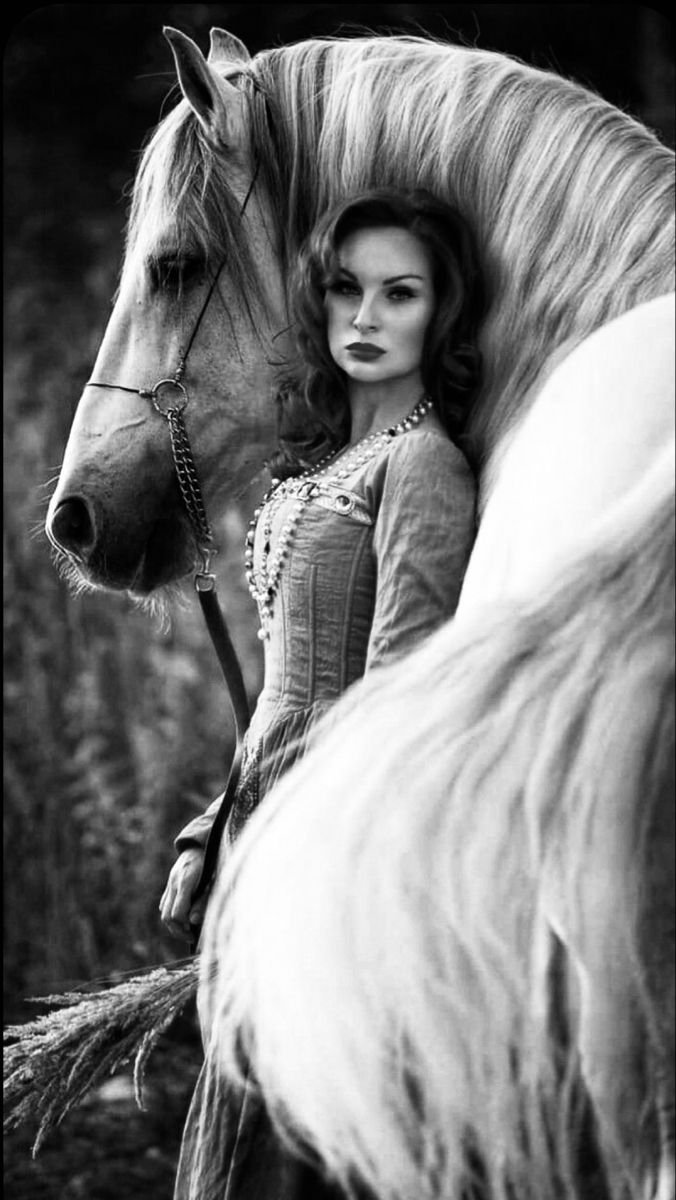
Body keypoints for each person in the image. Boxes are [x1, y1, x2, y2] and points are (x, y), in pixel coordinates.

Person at [160, 187, 485, 1199]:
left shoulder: (421, 468)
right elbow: (280, 695)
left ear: (442, 313)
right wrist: (208, 835)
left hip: (344, 833)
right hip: (266, 811)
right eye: (345, 289)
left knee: (308, 1141)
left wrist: (301, 858)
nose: (365, 318)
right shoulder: (320, 465)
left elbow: (397, 698)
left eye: (400, 293)